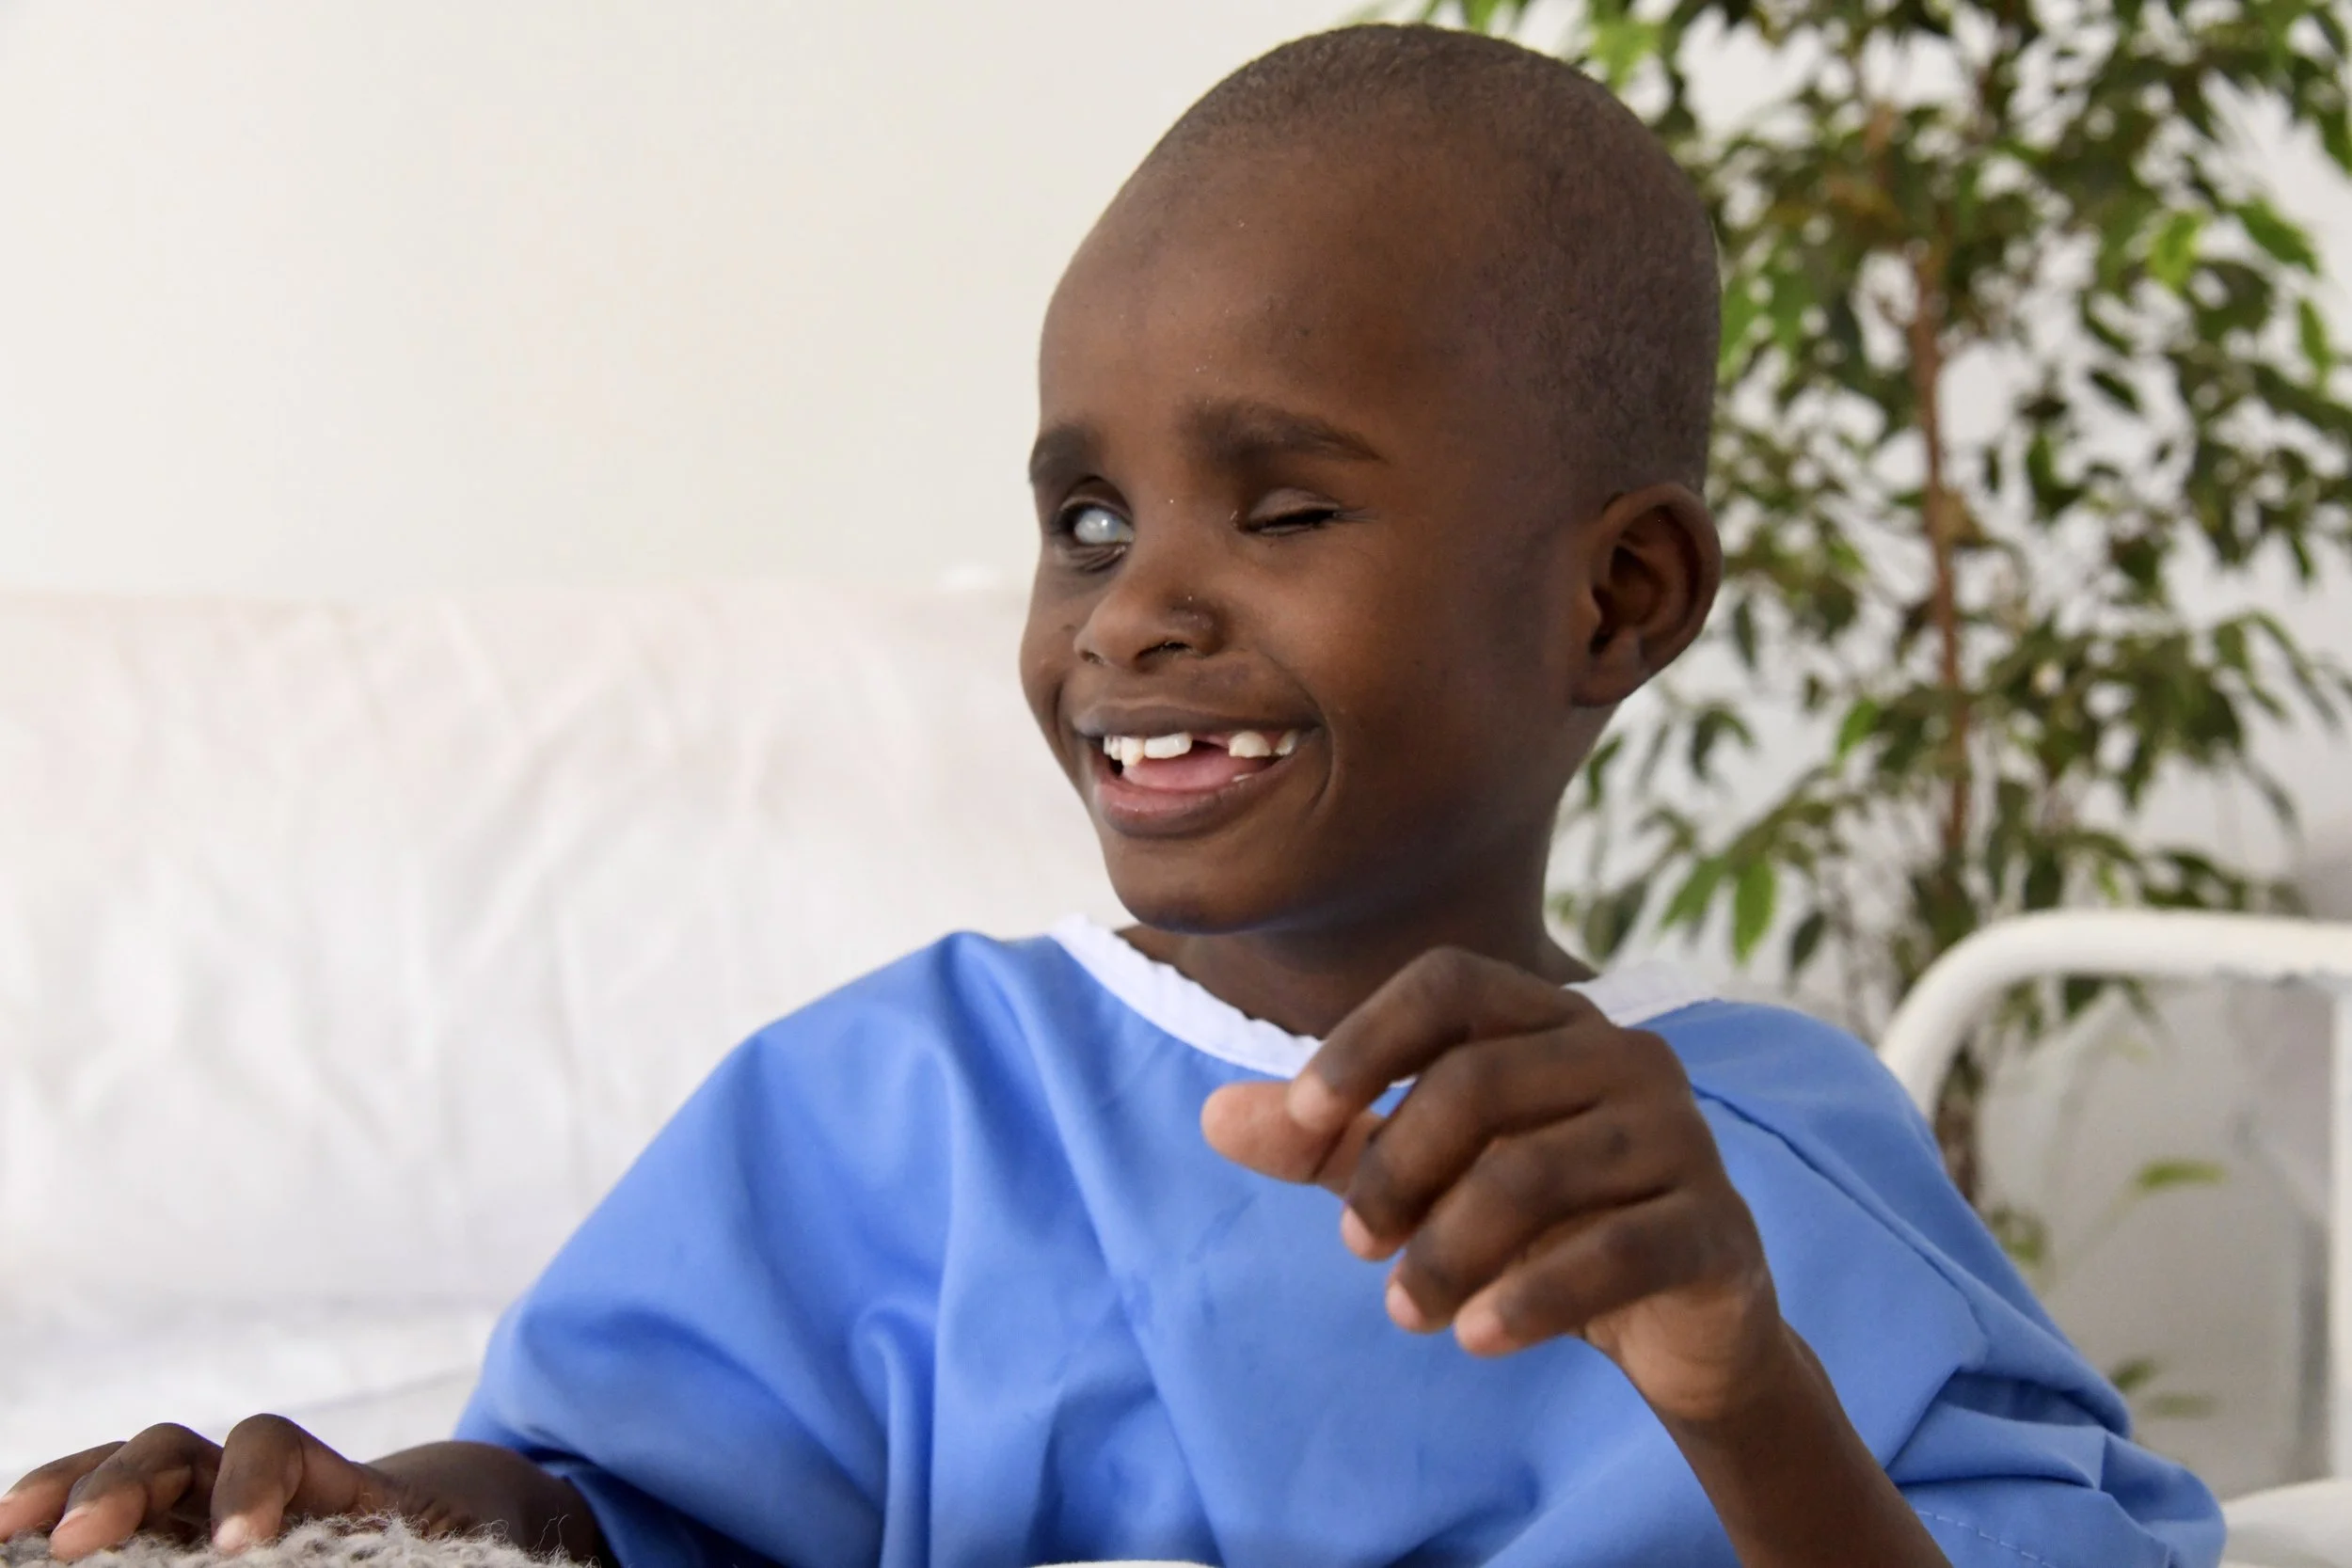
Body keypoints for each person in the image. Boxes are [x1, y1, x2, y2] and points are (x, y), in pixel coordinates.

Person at [0, 24, 2225, 1568]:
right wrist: (348, 1511)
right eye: (1084, 517)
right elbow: (610, 1498)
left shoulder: (1750, 1162)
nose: (1132, 610)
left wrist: (1737, 1382)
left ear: (1614, 595)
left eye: (1274, 510)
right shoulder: (886, 1108)